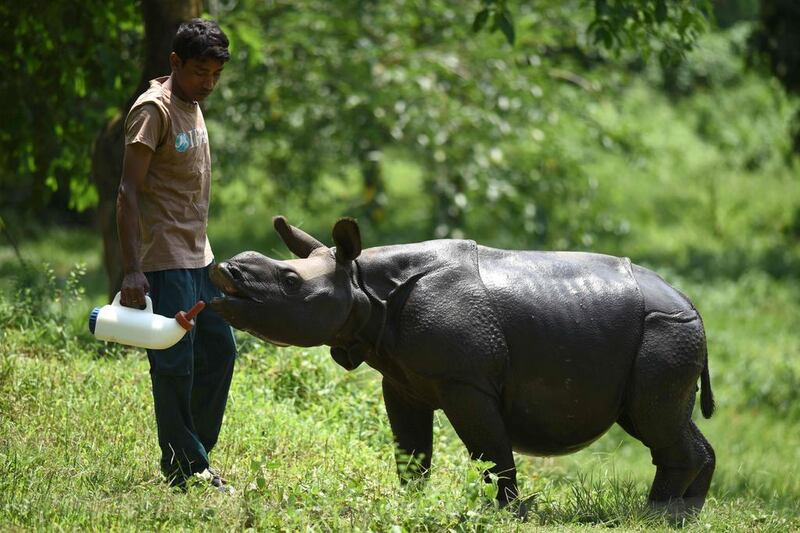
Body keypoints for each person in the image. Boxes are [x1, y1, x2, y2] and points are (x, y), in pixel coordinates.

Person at [116, 18, 236, 492]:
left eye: (215, 75)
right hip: (163, 260)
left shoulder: (193, 102)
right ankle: (186, 468)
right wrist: (132, 269)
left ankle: (194, 457)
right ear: (174, 63)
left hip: (199, 258)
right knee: (174, 365)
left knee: (219, 352)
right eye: (198, 72)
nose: (207, 83)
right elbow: (127, 191)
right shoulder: (153, 110)